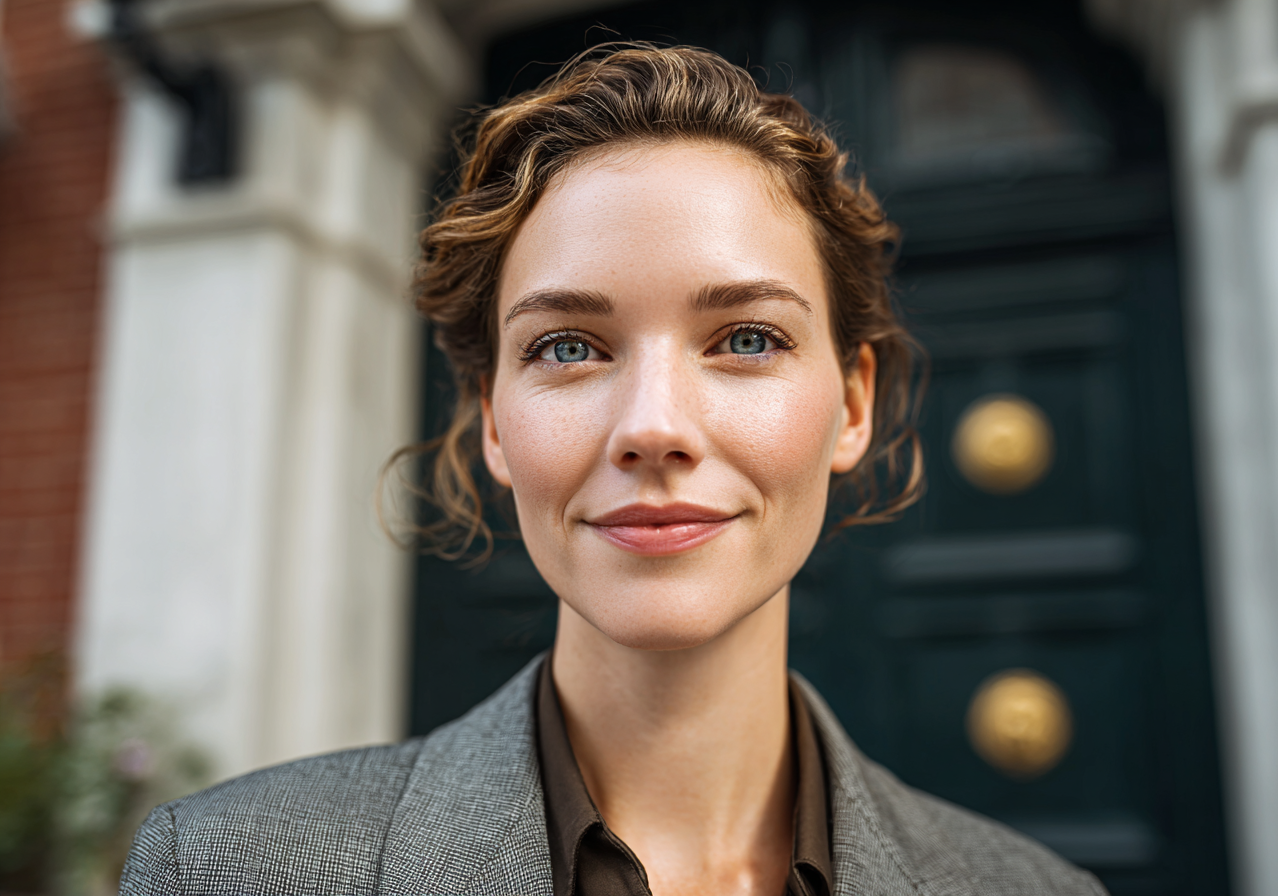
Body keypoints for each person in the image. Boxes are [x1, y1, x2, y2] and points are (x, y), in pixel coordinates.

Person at [120, 45, 1106, 896]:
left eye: (747, 338)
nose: (653, 427)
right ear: (490, 420)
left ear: (853, 405)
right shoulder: (223, 869)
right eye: (567, 347)